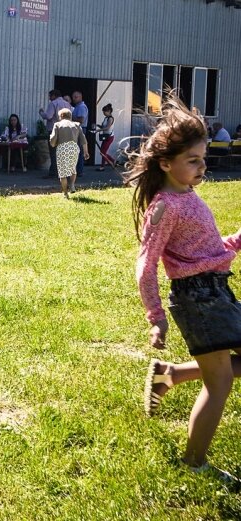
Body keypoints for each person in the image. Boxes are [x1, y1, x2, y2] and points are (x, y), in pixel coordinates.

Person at [132, 97, 241, 483]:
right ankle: (195, 463)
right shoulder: (164, 206)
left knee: (226, 370)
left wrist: (236, 241)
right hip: (198, 299)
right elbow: (146, 264)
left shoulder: (186, 195)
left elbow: (204, 249)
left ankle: (171, 374)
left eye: (202, 157)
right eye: (193, 159)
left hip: (216, 292)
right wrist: (156, 317)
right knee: (220, 382)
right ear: (166, 163)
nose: (202, 166)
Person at [50, 108, 89, 198]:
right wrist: (86, 152)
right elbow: (83, 140)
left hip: (62, 148)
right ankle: (72, 184)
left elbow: (53, 139)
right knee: (73, 169)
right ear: (70, 116)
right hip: (74, 148)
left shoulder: (57, 124)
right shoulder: (77, 124)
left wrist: (52, 143)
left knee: (62, 173)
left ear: (61, 116)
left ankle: (65, 193)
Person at [39, 89, 73, 178]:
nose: (50, 98)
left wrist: (42, 113)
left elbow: (49, 116)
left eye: (50, 96)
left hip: (54, 130)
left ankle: (53, 172)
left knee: (53, 152)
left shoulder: (53, 103)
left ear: (54, 95)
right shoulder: (67, 104)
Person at [72, 91, 89, 177]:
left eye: (76, 97)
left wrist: (70, 118)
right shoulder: (77, 107)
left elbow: (81, 120)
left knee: (79, 151)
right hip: (77, 129)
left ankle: (80, 171)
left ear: (80, 97)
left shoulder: (81, 107)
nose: (74, 99)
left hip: (80, 129)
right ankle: (78, 170)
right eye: (73, 97)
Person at [95, 103, 115, 171]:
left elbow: (107, 128)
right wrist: (98, 125)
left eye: (105, 112)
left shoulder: (110, 119)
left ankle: (105, 165)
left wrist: (98, 130)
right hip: (105, 136)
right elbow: (103, 126)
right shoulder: (106, 118)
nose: (104, 113)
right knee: (102, 152)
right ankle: (111, 161)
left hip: (109, 137)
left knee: (103, 152)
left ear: (109, 111)